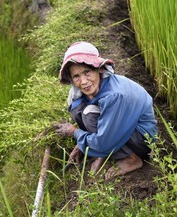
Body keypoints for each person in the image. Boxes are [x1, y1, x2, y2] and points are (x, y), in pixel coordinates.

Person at [54, 41, 157, 179]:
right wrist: (81, 145)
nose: (83, 81)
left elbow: (103, 139)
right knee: (77, 106)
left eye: (87, 72)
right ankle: (104, 151)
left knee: (89, 114)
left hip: (141, 140)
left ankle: (131, 158)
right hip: (121, 130)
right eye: (76, 76)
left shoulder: (114, 96)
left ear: (100, 69)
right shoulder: (91, 88)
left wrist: (75, 133)